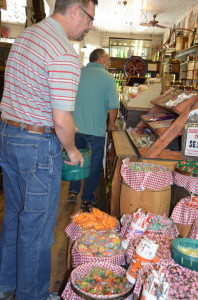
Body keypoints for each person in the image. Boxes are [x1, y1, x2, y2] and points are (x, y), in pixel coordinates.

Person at [0, 1, 98, 300]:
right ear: (76, 11)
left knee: (15, 215)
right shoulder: (62, 52)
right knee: (38, 227)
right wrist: (72, 150)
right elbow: (62, 119)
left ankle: (6, 285)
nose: (90, 25)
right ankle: (33, 295)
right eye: (90, 18)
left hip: (8, 134)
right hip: (36, 145)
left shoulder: (28, 36)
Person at [68, 48, 119, 209]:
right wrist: (111, 125)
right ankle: (87, 198)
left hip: (74, 128)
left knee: (75, 159)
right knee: (94, 164)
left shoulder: (77, 74)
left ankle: (72, 191)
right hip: (95, 130)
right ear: (101, 59)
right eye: (109, 60)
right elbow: (113, 106)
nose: (110, 63)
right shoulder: (108, 77)